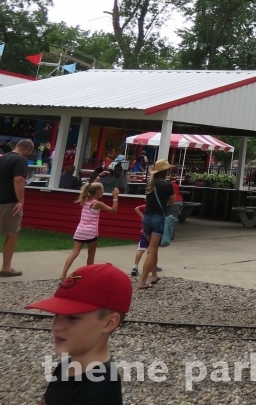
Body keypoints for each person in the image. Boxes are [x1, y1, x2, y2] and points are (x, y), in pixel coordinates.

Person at [25, 262, 133, 405]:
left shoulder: (97, 390)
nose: (56, 326)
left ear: (109, 323)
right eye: (57, 314)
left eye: (72, 318)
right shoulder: (67, 365)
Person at [61, 183, 119, 281]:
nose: (103, 192)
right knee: (91, 254)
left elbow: (91, 185)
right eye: (102, 190)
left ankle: (63, 274)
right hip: (91, 232)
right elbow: (113, 210)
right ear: (97, 192)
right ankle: (88, 275)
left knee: (74, 252)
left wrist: (99, 176)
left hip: (80, 231)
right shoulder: (97, 203)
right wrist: (115, 197)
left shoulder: (84, 200)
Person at [139, 158, 174, 289]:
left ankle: (154, 275)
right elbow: (172, 201)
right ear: (165, 172)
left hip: (146, 218)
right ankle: (142, 281)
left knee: (153, 249)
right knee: (152, 251)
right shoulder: (167, 185)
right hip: (158, 218)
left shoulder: (150, 185)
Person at [0, 138, 32, 277]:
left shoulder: (2, 158)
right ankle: (6, 267)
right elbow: (18, 179)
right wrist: (21, 200)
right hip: (9, 201)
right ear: (28, 149)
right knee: (12, 233)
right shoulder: (20, 160)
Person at [130, 204, 161, 278]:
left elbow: (136, 208)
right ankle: (152, 267)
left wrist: (142, 217)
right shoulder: (157, 207)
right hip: (153, 233)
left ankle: (135, 266)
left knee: (141, 249)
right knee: (154, 250)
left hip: (144, 232)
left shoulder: (147, 206)